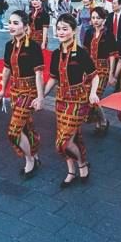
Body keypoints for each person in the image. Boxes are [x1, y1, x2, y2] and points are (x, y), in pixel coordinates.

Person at [41, 14, 100, 188]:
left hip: (78, 101)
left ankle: (81, 164)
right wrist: (41, 95)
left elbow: (94, 76)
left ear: (74, 31)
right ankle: (71, 170)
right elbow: (53, 78)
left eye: (65, 29)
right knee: (69, 137)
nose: (61, 32)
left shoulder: (81, 53)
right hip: (61, 100)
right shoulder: (57, 53)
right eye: (58, 28)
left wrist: (93, 93)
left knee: (63, 142)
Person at [0, 10, 45, 179]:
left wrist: (40, 97)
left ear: (26, 27)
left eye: (16, 23)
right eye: (10, 22)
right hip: (15, 91)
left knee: (14, 131)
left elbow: (39, 74)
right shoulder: (8, 45)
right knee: (26, 126)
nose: (11, 26)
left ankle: (30, 160)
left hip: (29, 91)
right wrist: (3, 89)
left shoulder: (33, 47)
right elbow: (6, 69)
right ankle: (35, 155)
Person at [84, 7, 118, 134]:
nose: (95, 20)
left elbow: (112, 55)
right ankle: (98, 122)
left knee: (96, 96)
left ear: (104, 19)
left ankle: (103, 120)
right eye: (93, 18)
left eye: (98, 18)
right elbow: (85, 53)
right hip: (89, 68)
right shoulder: (88, 32)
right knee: (88, 96)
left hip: (103, 68)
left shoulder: (108, 34)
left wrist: (111, 75)